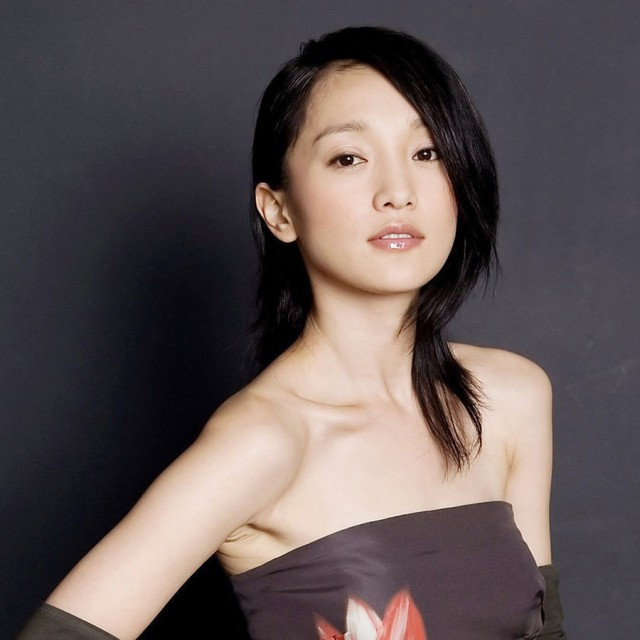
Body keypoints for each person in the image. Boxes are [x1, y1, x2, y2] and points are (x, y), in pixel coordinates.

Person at [17, 25, 567, 640]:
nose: (398, 193)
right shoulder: (263, 440)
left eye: (427, 152)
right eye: (349, 158)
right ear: (279, 211)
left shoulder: (510, 397)